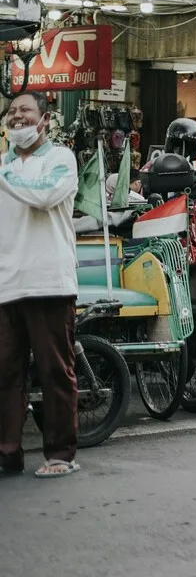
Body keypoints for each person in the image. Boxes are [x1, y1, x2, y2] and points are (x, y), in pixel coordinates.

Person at [0, 92, 81, 478]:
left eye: (25, 111)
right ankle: (8, 452)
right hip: (6, 285)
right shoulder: (3, 164)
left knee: (54, 371)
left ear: (44, 119)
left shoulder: (60, 159)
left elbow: (44, 196)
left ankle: (61, 453)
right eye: (12, 112)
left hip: (49, 282)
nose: (17, 117)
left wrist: (3, 174)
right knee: (5, 373)